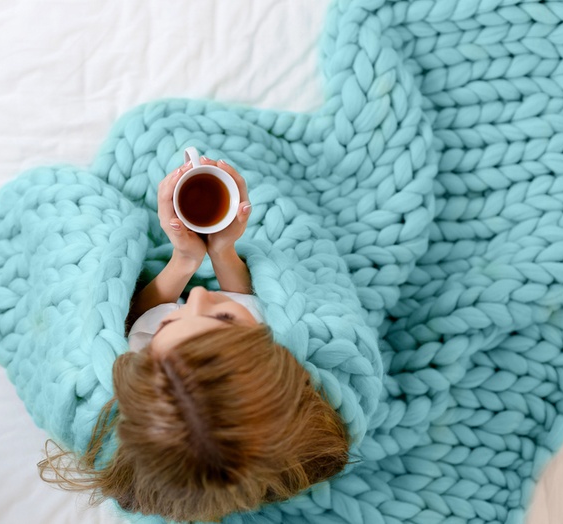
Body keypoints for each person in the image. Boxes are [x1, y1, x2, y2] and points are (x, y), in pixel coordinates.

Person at [38, 156, 350, 523]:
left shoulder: (145, 364)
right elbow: (259, 311)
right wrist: (222, 253)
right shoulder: (277, 382)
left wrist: (184, 262)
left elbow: (140, 318)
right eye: (223, 317)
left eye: (170, 324)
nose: (198, 296)